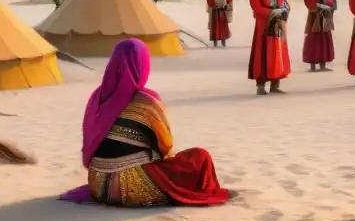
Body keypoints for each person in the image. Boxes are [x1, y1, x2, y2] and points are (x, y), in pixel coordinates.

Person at [59, 39, 229, 207]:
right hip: (130, 187)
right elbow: (166, 146)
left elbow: (89, 145)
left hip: (98, 183)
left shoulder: (98, 97)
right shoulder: (146, 100)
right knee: (199, 157)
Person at [248, 0, 292, 95]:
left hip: (277, 22)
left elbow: (282, 1)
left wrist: (284, 10)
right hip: (264, 24)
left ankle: (275, 84)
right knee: (263, 53)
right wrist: (271, 13)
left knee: (278, 51)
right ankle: (261, 86)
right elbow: (255, 6)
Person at [302, 0, 337, 71]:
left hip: (326, 15)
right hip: (315, 15)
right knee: (313, 39)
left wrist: (331, 7)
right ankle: (312, 65)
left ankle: (323, 64)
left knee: (324, 39)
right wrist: (318, 6)